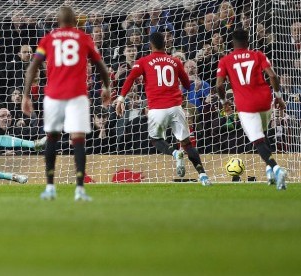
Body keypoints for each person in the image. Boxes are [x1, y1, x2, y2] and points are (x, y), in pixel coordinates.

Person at [22, 6, 110, 201]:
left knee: (51, 138)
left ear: (57, 20)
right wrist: (106, 88)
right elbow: (101, 67)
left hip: (53, 95)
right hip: (77, 95)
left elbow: (32, 68)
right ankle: (79, 189)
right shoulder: (84, 38)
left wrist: (26, 95)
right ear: (75, 20)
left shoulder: (48, 39)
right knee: (78, 139)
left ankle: (50, 187)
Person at [116, 32, 211, 186]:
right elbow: (187, 85)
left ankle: (175, 153)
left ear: (150, 46)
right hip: (175, 107)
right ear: (165, 45)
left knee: (155, 139)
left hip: (156, 109)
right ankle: (203, 176)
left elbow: (130, 78)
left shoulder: (143, 61)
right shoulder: (175, 62)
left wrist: (120, 99)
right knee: (187, 144)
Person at [216, 29, 287, 190]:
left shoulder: (225, 60)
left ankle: (276, 169)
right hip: (265, 100)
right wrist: (278, 97)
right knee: (263, 132)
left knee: (257, 140)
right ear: (248, 42)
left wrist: (224, 101)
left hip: (246, 105)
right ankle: (269, 171)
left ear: (232, 43)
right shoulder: (258, 55)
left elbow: (219, 85)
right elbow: (273, 76)